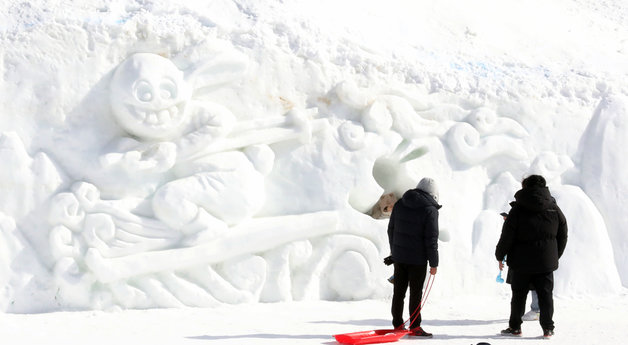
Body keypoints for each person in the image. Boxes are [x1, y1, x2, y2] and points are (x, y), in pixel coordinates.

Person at [495, 175, 568, 339]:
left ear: (525, 186)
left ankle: (515, 327)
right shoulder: (554, 208)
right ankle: (548, 328)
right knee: (546, 295)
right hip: (545, 262)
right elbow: (563, 234)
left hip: (521, 262)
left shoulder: (518, 209)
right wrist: (555, 255)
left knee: (518, 296)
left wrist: (500, 254)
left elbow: (507, 236)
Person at [387, 177, 440, 338]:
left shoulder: (400, 203)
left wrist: (394, 252)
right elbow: (431, 238)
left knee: (398, 292)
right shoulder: (430, 209)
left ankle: (397, 324)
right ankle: (415, 326)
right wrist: (434, 262)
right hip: (418, 260)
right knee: (415, 293)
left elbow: (391, 229)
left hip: (400, 257)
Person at [500, 212, 541, 322]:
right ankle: (534, 311)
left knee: (530, 284)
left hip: (528, 256)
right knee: (529, 284)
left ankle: (536, 311)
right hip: (527, 256)